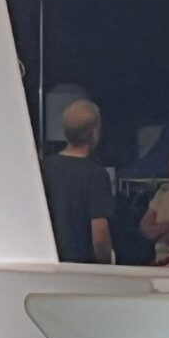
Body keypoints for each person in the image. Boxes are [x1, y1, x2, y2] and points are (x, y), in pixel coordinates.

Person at [43, 101, 114, 265]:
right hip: (83, 268)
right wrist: (107, 266)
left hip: (48, 264)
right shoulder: (96, 175)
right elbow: (100, 237)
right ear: (93, 132)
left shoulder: (42, 168)